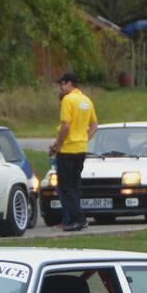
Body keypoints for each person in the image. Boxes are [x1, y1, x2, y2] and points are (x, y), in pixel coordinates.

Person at [48, 72, 97, 232]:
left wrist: (58, 145)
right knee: (75, 186)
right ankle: (71, 219)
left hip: (67, 150)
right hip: (81, 149)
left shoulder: (68, 100)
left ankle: (78, 219)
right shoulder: (86, 100)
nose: (60, 88)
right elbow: (94, 125)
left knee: (65, 187)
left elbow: (66, 126)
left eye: (62, 84)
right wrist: (83, 139)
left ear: (69, 83)